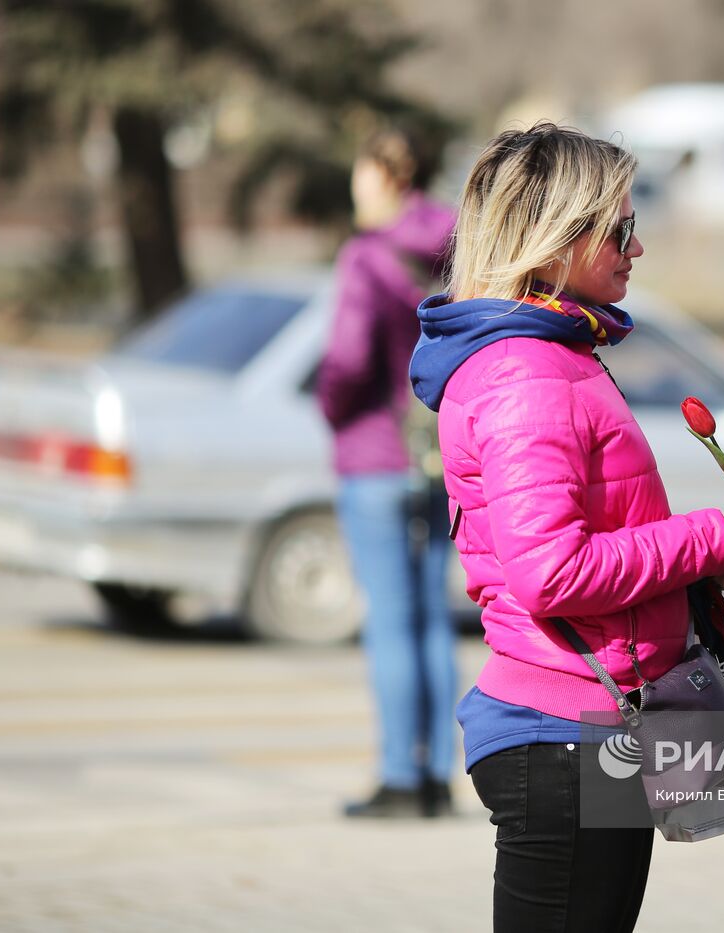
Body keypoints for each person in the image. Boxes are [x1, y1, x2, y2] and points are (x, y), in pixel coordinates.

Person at [408, 122, 724, 932]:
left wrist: (705, 565)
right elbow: (552, 572)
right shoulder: (526, 371)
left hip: (584, 725)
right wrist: (713, 538)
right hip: (563, 735)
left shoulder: (551, 353)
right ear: (553, 236)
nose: (636, 248)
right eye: (620, 228)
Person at [316, 122, 459, 819]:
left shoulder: (366, 257)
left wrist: (332, 410)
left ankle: (400, 774)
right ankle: (438, 776)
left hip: (376, 453)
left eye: (361, 176)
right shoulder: (460, 249)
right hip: (440, 451)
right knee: (434, 614)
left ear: (390, 177)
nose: (354, 188)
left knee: (390, 621)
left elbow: (345, 361)